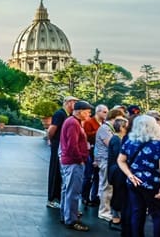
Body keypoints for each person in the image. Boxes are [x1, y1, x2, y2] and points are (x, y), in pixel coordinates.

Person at [117, 114, 160, 237]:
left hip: (134, 183)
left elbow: (120, 160)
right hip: (153, 185)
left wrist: (129, 175)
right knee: (159, 214)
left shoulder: (129, 142)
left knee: (137, 212)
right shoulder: (159, 145)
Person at [59, 99, 93, 232]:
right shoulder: (73, 123)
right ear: (80, 112)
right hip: (73, 162)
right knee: (73, 192)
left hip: (69, 161)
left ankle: (65, 215)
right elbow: (72, 145)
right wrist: (80, 159)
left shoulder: (72, 121)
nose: (89, 115)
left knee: (67, 190)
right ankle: (71, 220)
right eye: (88, 112)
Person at [47, 95, 78, 209]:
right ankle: (52, 198)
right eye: (74, 102)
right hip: (58, 144)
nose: (75, 104)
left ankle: (58, 198)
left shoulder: (68, 115)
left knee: (60, 172)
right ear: (68, 102)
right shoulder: (60, 114)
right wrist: (51, 141)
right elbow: (51, 130)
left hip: (62, 145)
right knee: (55, 170)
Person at [94, 108, 124, 222]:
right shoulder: (105, 129)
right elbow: (110, 143)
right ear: (113, 118)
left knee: (108, 186)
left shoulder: (107, 128)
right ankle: (103, 211)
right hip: (105, 160)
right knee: (105, 186)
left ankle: (107, 210)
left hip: (109, 160)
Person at [82, 104, 107, 208]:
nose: (106, 114)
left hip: (100, 151)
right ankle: (85, 197)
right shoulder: (89, 122)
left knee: (97, 176)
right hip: (91, 150)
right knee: (89, 175)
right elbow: (86, 136)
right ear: (98, 112)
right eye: (104, 112)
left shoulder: (104, 123)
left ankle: (95, 196)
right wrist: (100, 131)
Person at [107, 117, 129, 231]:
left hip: (117, 170)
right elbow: (119, 156)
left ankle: (117, 216)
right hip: (117, 171)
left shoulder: (119, 138)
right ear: (121, 127)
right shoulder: (116, 140)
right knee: (118, 193)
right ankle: (115, 217)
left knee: (119, 192)